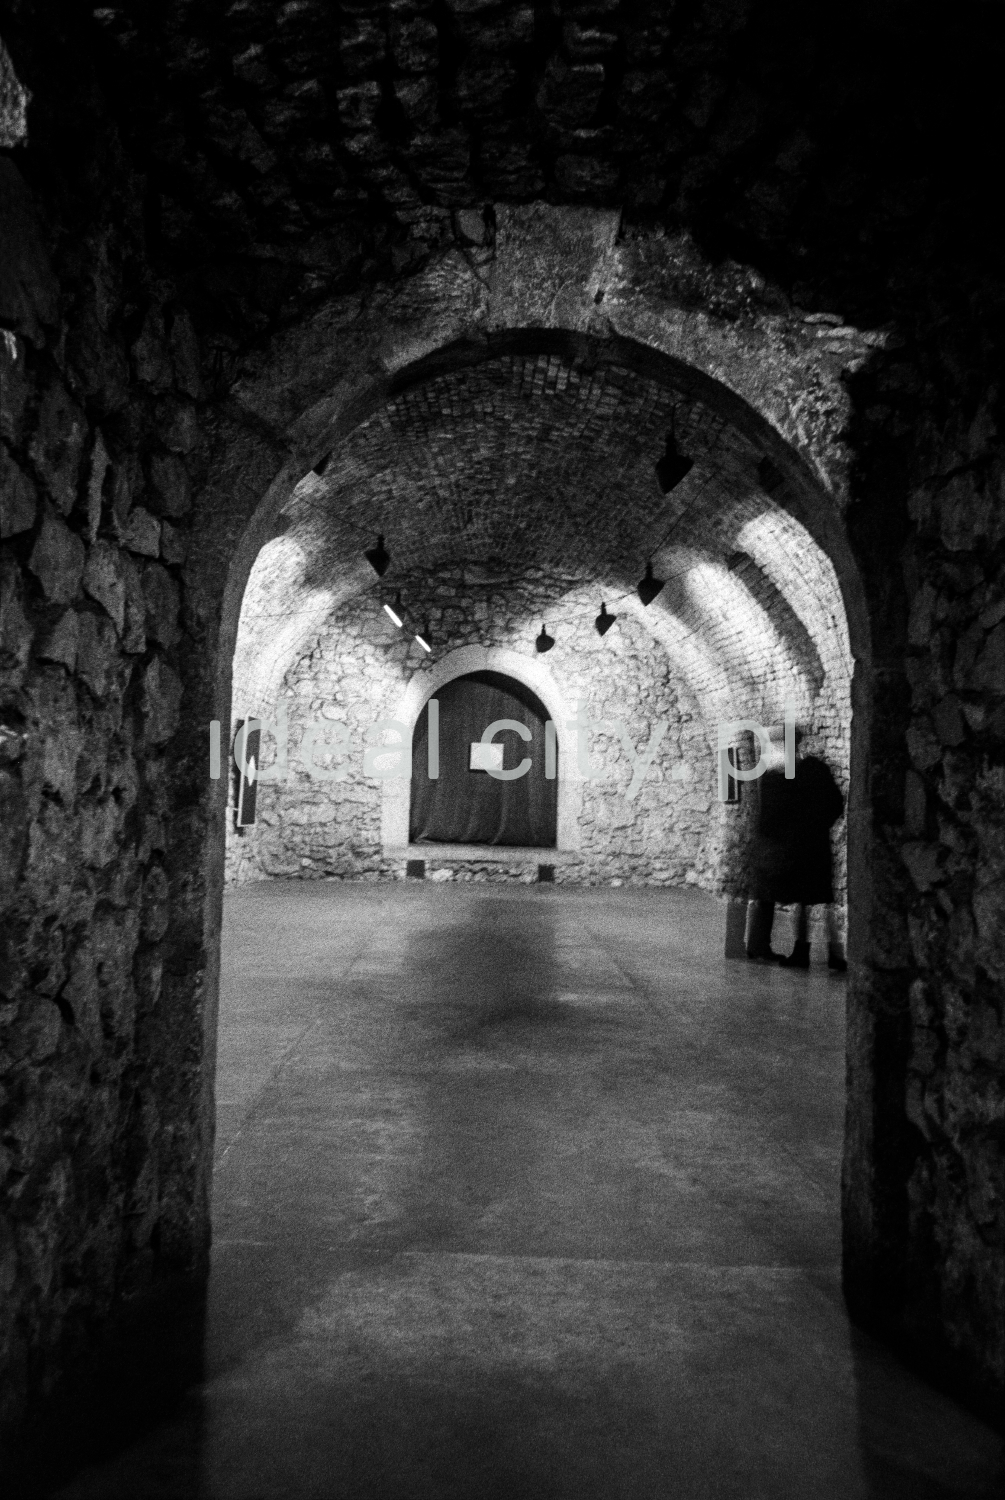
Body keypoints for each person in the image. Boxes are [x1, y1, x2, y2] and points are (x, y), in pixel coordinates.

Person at [745, 726, 846, 970]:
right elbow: (835, 804)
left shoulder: (778, 776)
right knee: (820, 900)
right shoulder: (814, 769)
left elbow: (772, 818)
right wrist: (820, 826)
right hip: (815, 843)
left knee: (799, 899)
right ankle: (835, 953)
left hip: (796, 846)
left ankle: (799, 952)